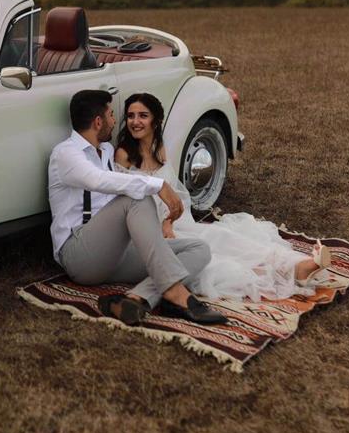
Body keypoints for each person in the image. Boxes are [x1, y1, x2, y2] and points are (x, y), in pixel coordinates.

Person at [114, 93, 333, 302]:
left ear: (156, 121)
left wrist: (169, 221)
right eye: (131, 116)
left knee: (223, 237)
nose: (135, 122)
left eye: (143, 116)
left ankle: (294, 265)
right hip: (146, 229)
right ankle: (272, 273)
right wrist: (162, 227)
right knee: (211, 256)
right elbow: (126, 203)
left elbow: (174, 192)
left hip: (173, 222)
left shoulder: (158, 148)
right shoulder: (124, 155)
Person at [48, 90, 228, 326]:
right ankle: (176, 294)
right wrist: (158, 185)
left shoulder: (107, 151)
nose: (115, 121)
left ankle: (136, 298)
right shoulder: (66, 153)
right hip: (79, 254)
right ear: (98, 122)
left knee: (198, 249)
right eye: (111, 115)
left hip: (114, 254)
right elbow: (96, 180)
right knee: (136, 197)